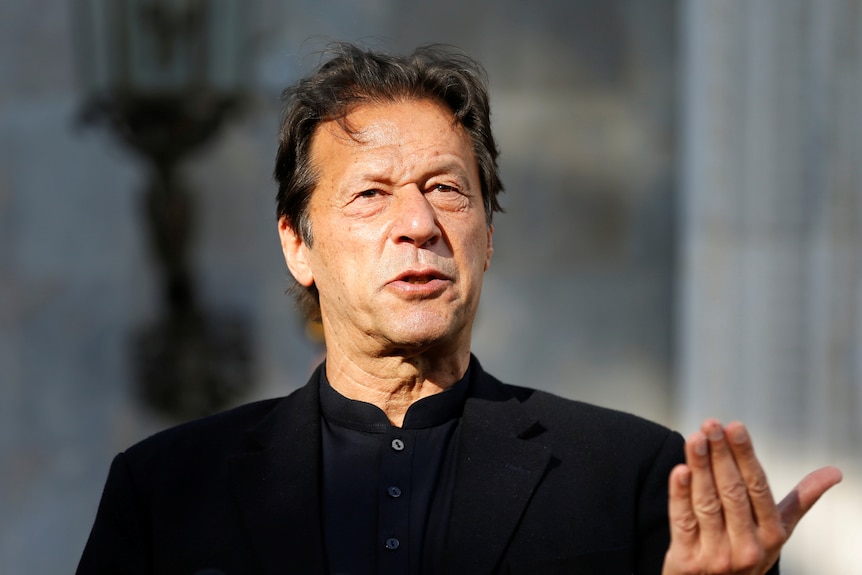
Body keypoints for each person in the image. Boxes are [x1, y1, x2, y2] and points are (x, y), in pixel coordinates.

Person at [77, 43, 842, 575]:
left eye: (446, 189)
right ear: (297, 244)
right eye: (372, 194)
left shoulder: (635, 474)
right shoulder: (167, 489)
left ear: (486, 237)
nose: (418, 223)